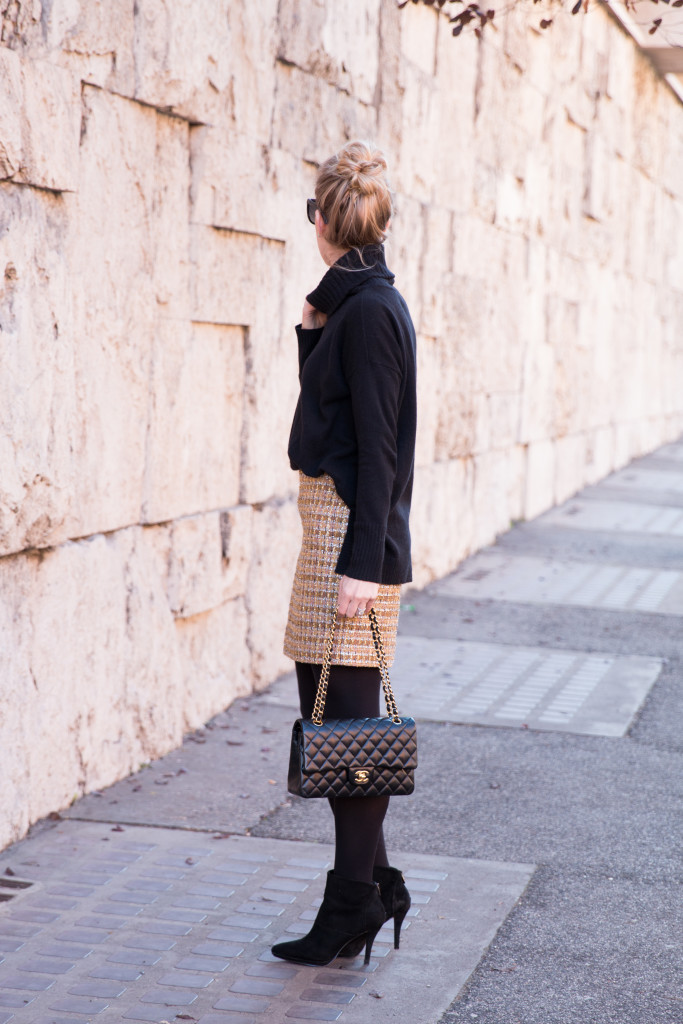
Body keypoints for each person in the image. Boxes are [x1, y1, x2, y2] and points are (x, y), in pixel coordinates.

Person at [271, 140, 417, 967]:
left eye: (311, 213)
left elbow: (381, 449)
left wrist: (364, 564)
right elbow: (333, 419)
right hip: (333, 532)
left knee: (348, 730)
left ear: (324, 220)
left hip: (349, 540)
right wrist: (306, 337)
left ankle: (350, 907)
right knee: (339, 731)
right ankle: (378, 885)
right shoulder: (353, 307)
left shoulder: (368, 314)